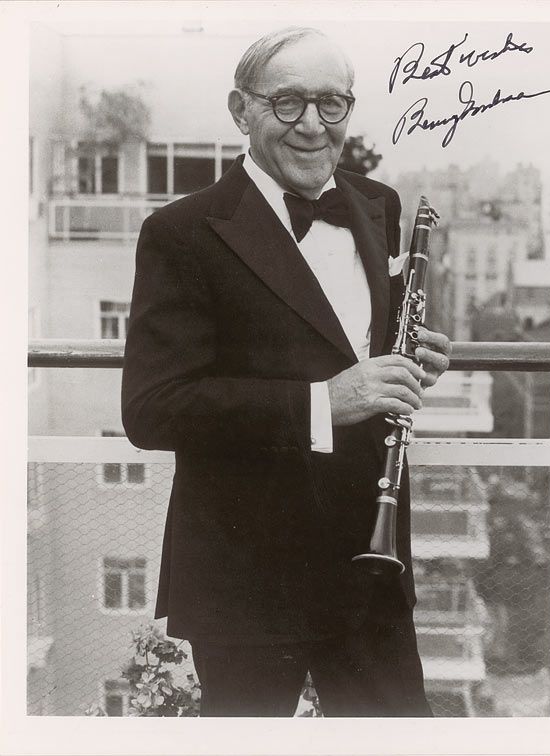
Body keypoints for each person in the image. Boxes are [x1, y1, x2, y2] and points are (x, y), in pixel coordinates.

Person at [121, 26, 451, 717]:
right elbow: (153, 408)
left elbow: (346, 338)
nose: (312, 125)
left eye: (332, 103)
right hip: (247, 574)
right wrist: (324, 403)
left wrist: (406, 357)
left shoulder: (378, 204)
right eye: (287, 102)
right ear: (241, 110)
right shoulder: (180, 232)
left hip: (370, 559)